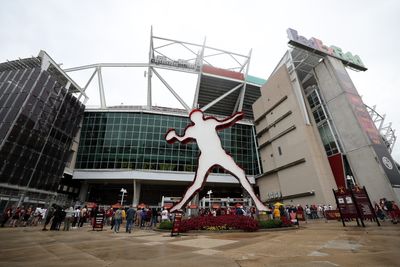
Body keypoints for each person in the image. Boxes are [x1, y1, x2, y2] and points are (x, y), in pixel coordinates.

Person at [165, 110, 269, 213]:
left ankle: (258, 204)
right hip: (206, 157)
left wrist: (235, 117)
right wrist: (175, 136)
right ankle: (180, 205)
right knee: (197, 184)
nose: (196, 117)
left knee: (241, 174)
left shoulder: (210, 122)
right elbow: (183, 139)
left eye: (197, 115)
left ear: (201, 115)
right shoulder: (191, 130)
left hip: (219, 154)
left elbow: (225, 122)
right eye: (194, 116)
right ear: (192, 119)